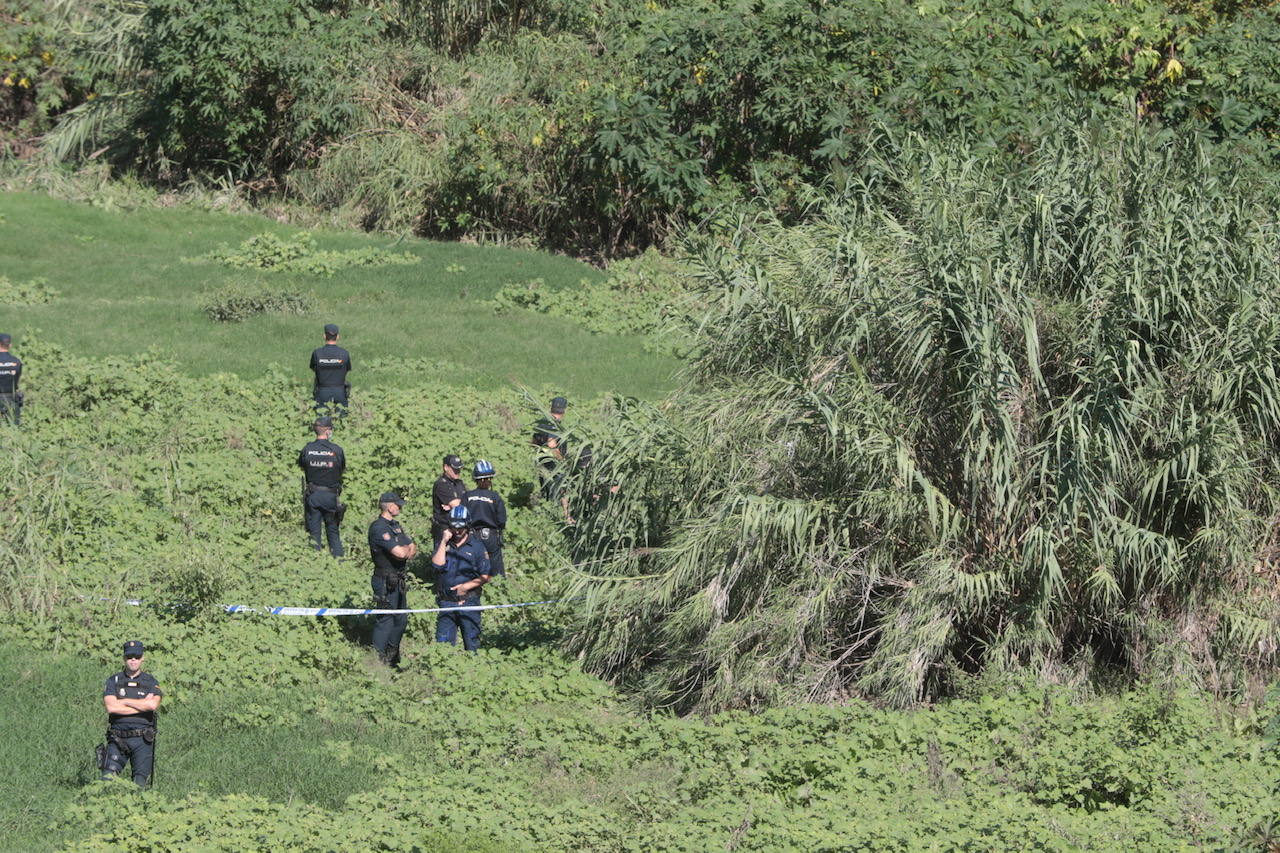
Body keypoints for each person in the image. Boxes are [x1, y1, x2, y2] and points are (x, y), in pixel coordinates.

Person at [101, 640, 162, 787]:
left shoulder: (150, 681)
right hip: (117, 738)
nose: (133, 659)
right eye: (129, 657)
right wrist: (141, 704)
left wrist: (124, 701)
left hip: (142, 739)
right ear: (124, 658)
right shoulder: (113, 681)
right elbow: (112, 708)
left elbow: (152, 705)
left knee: (140, 784)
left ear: (142, 658)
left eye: (136, 656)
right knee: (106, 780)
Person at [431, 505, 491, 651]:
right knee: (443, 647)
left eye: (461, 528)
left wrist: (465, 587)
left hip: (469, 602)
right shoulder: (444, 544)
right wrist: (444, 541)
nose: (457, 531)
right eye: (454, 527)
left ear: (468, 526)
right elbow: (437, 566)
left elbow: (485, 576)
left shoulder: (476, 547)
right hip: (446, 602)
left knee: (472, 645)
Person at [368, 492, 417, 667]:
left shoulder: (395, 526)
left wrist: (405, 550)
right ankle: (378, 659)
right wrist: (404, 550)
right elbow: (401, 552)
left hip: (399, 579)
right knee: (386, 620)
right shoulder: (379, 528)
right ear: (390, 507)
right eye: (398, 505)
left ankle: (392, 655)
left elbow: (412, 548)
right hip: (385, 581)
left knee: (401, 619)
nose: (400, 507)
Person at [297, 416, 346, 557]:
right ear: (328, 431)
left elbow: (302, 466)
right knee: (333, 532)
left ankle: (313, 562)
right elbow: (342, 469)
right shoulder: (336, 450)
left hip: (313, 496)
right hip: (331, 497)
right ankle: (339, 563)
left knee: (314, 534)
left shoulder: (307, 449)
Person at [531, 396, 573, 523]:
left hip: (542, 462)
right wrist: (563, 460)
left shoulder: (542, 422)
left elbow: (532, 442)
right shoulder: (554, 425)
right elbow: (552, 444)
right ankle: (565, 517)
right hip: (554, 464)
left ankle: (546, 516)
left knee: (546, 489)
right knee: (561, 489)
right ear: (564, 410)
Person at [465, 459, 507, 577]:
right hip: (491, 537)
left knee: (472, 566)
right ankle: (499, 588)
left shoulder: (467, 496)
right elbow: (502, 520)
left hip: (472, 536)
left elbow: (463, 517)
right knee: (496, 567)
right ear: (489, 480)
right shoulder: (495, 497)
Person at [310, 323, 351, 414]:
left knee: (321, 421)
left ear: (324, 336)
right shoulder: (344, 353)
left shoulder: (317, 353)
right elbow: (347, 369)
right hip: (340, 390)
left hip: (322, 390)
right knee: (342, 418)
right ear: (338, 337)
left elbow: (313, 368)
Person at [431, 454, 468, 546]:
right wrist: (458, 504)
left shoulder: (460, 483)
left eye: (459, 469)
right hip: (445, 529)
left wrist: (456, 504)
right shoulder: (441, 484)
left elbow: (467, 502)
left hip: (460, 529)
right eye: (455, 469)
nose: (457, 471)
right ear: (446, 467)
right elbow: (457, 505)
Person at [0, 332, 23, 426]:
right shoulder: (17, 362)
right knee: (13, 427)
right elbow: (16, 379)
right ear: (10, 345)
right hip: (11, 399)